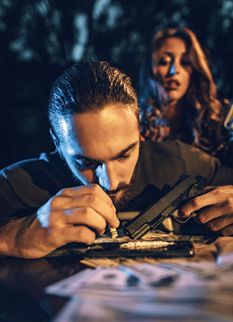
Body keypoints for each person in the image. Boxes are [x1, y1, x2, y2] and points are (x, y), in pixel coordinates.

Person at [0, 61, 233, 259]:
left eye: (124, 155)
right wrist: (13, 238)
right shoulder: (16, 185)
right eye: (86, 162)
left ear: (139, 130)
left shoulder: (183, 162)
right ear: (57, 142)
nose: (110, 183)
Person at [139, 27, 233, 165]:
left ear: (195, 70)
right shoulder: (135, 126)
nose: (174, 71)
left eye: (185, 62)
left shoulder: (222, 118)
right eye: (164, 61)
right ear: (150, 71)